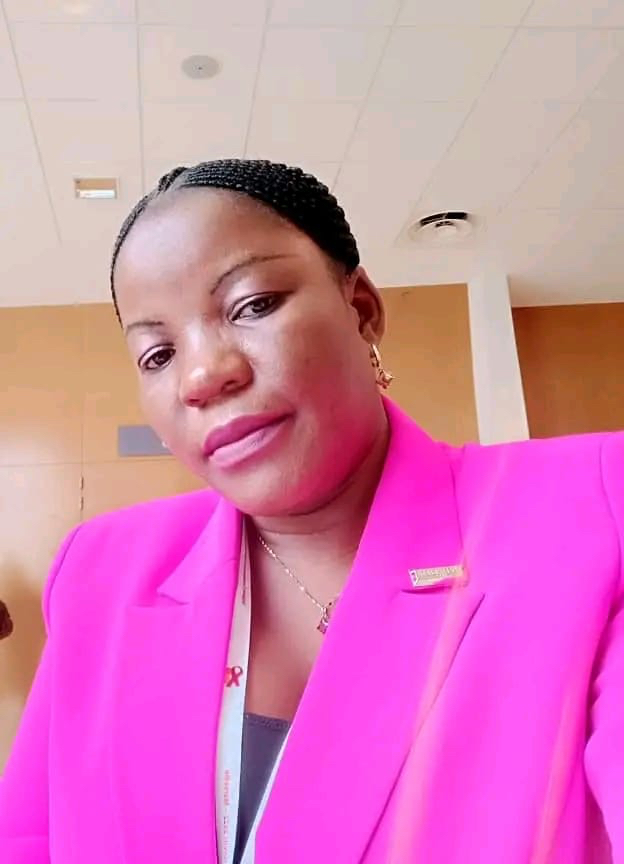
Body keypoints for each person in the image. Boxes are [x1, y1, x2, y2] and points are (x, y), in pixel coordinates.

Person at [0, 159, 622, 864]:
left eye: (252, 305)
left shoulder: (590, 510)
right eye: (158, 353)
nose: (202, 375)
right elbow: (28, 840)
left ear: (362, 310)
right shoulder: (100, 571)